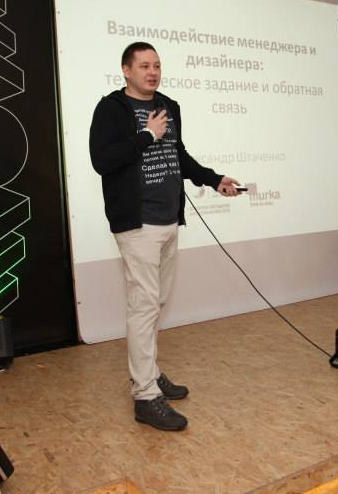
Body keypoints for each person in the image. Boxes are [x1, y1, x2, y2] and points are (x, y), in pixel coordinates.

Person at [89, 41, 241, 431]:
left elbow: (178, 155)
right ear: (126, 70)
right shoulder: (111, 109)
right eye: (144, 66)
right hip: (137, 225)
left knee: (154, 304)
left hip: (169, 220)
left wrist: (213, 179)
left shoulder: (168, 106)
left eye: (157, 65)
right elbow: (102, 161)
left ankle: (150, 374)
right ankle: (144, 396)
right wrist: (146, 135)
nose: (153, 72)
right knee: (143, 307)